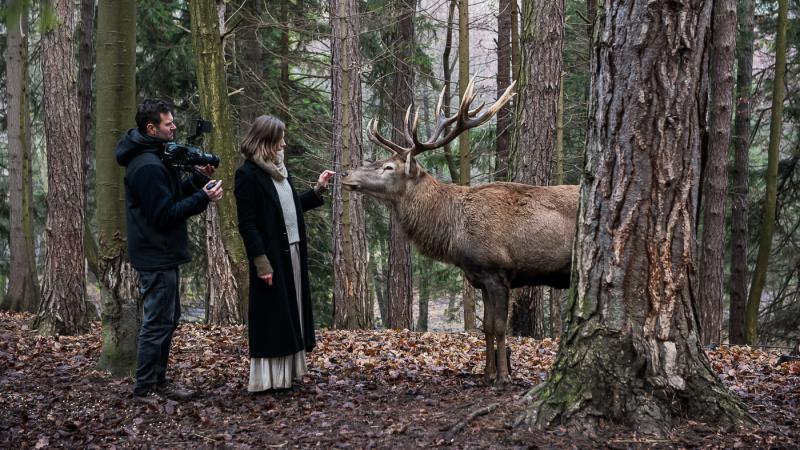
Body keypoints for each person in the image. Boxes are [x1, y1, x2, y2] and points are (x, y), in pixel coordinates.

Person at [116, 99, 224, 403]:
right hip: (155, 254)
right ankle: (144, 389)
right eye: (168, 123)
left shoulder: (155, 156)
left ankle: (158, 381)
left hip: (162, 252)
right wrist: (203, 198)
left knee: (168, 318)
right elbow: (164, 214)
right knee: (157, 322)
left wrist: (199, 181)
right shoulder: (147, 166)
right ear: (152, 128)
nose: (174, 127)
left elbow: (172, 197)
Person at [234, 115, 334, 392]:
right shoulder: (248, 175)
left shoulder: (279, 171)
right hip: (271, 257)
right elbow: (248, 223)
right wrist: (261, 262)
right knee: (273, 316)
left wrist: (316, 191)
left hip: (292, 250)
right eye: (281, 139)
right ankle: (268, 380)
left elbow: (286, 209)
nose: (285, 143)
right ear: (267, 140)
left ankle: (287, 375)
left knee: (290, 314)